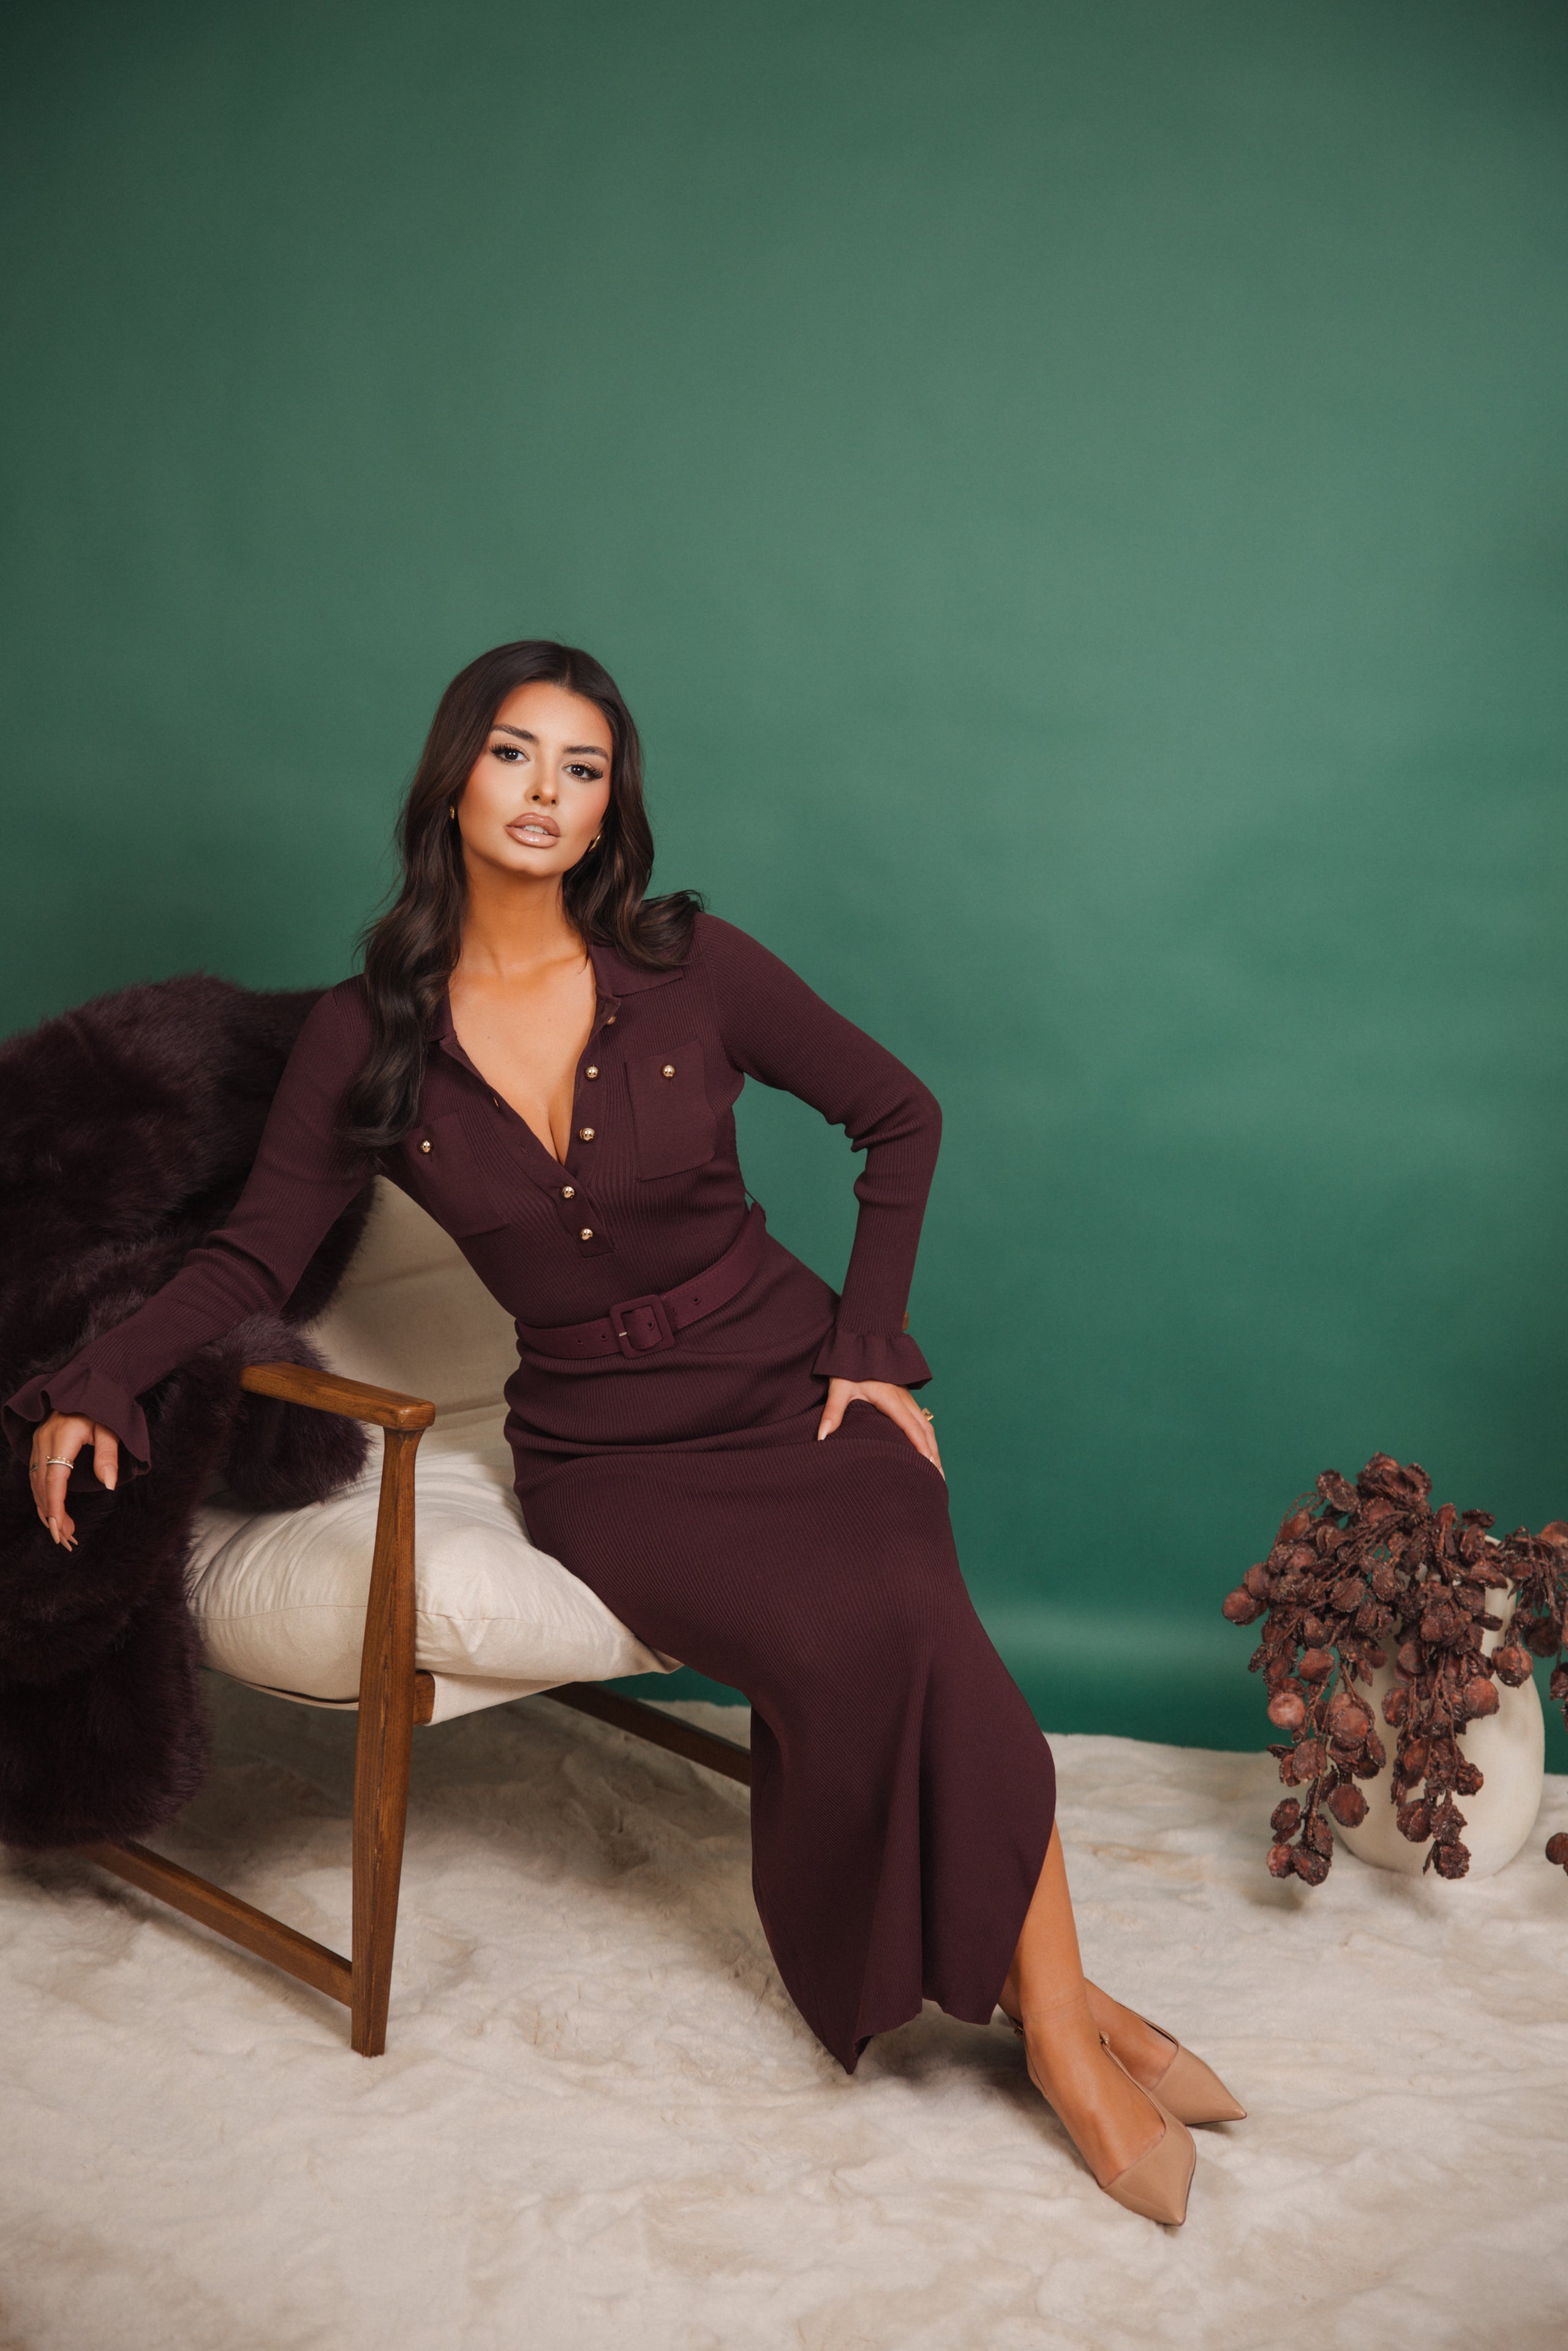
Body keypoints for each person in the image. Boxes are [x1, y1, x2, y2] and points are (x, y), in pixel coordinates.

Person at [10, 640, 1241, 2224]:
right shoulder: (366, 1032)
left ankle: (1064, 2027)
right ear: (455, 779)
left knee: (921, 1618)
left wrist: (870, 1345)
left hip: (793, 1380)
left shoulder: (693, 968)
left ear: (611, 810)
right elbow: (253, 1256)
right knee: (841, 1646)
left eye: (582, 770)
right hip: (608, 1454)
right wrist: (103, 1375)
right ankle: (1071, 2013)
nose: (545, 793)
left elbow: (899, 1115)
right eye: (517, 755)